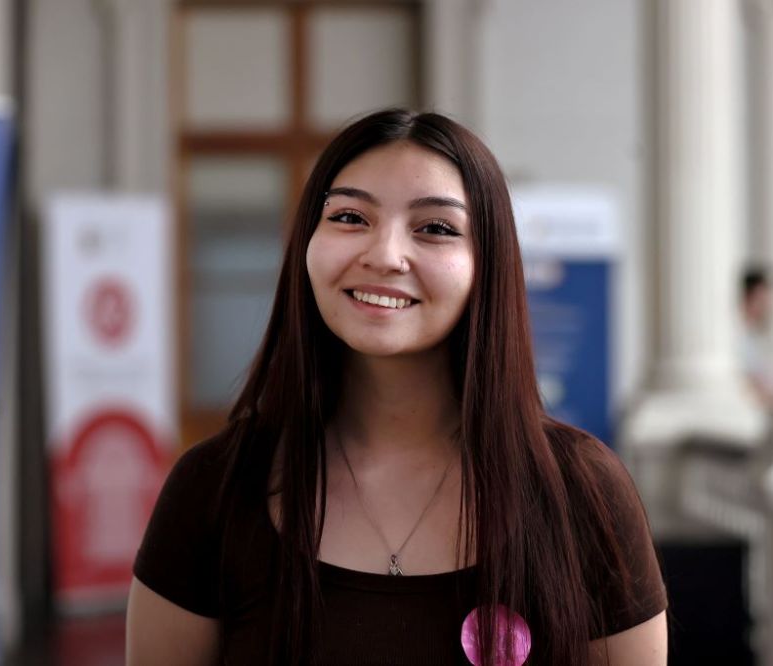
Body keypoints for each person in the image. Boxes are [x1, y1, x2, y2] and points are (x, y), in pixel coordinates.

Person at [126, 109, 667, 665]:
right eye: (349, 217)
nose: (384, 255)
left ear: (488, 263)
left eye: (436, 228)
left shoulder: (582, 492)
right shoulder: (214, 489)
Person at [740, 266, 773, 411]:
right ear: (748, 299)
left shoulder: (761, 335)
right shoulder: (740, 338)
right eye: (762, 299)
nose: (767, 305)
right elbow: (748, 382)